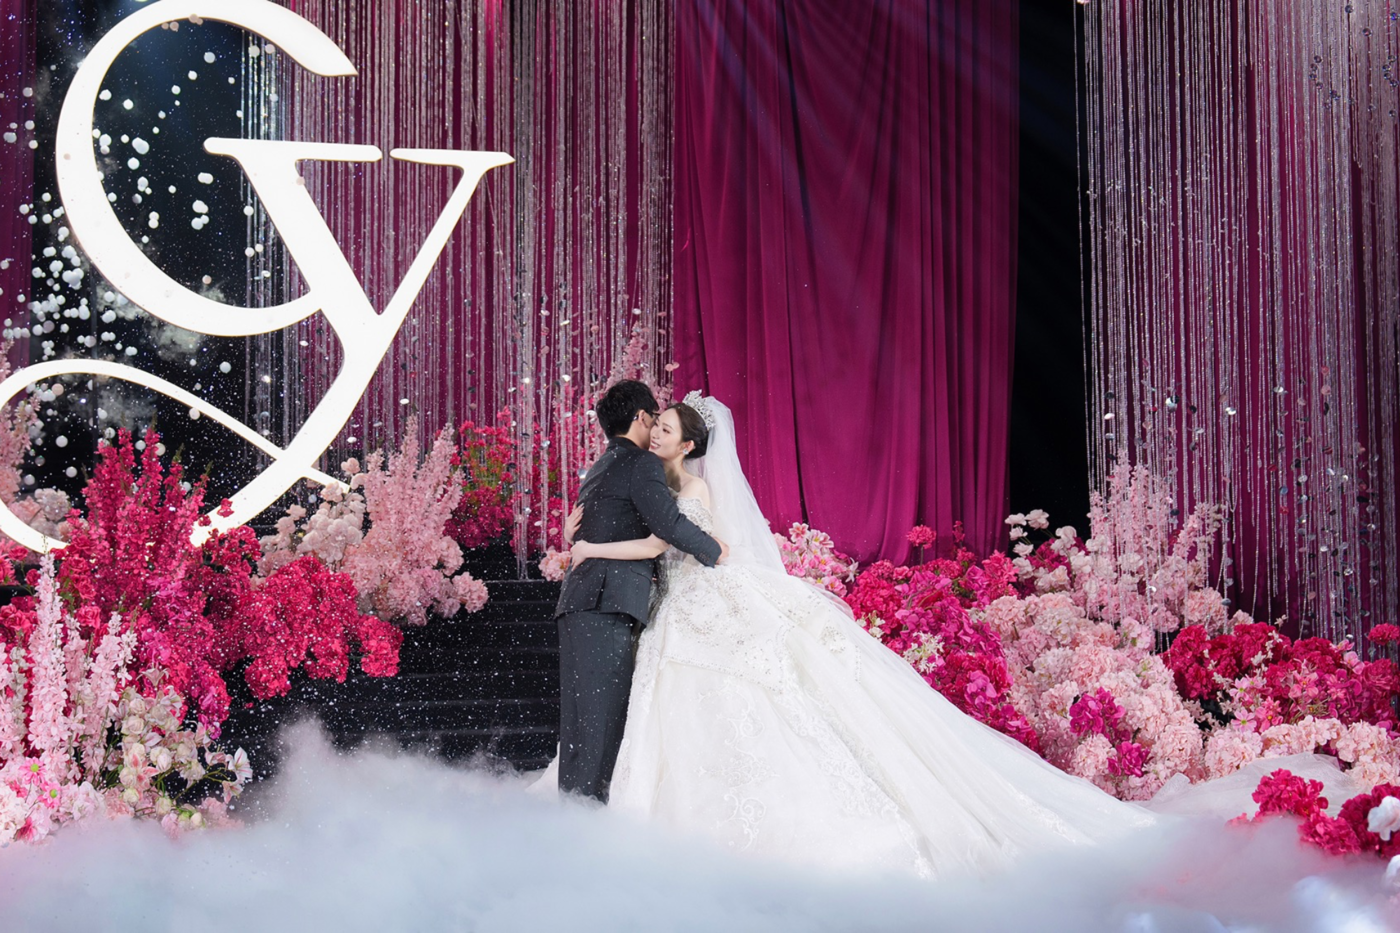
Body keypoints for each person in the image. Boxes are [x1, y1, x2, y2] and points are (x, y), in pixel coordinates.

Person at [563, 392, 1159, 878]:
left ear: (689, 444)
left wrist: (593, 547)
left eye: (667, 427)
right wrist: (580, 532)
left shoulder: (692, 489)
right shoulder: (654, 484)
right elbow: (652, 530)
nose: (658, 433)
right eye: (657, 424)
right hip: (675, 606)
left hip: (702, 598)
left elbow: (677, 542)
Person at [552, 380, 727, 803]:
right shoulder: (640, 463)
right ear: (642, 417)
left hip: (583, 601)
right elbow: (667, 527)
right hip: (605, 603)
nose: (657, 431)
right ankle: (585, 818)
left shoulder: (603, 465)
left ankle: (571, 814)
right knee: (600, 722)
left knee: (581, 722)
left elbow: (603, 524)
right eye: (656, 421)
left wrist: (574, 539)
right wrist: (715, 550)